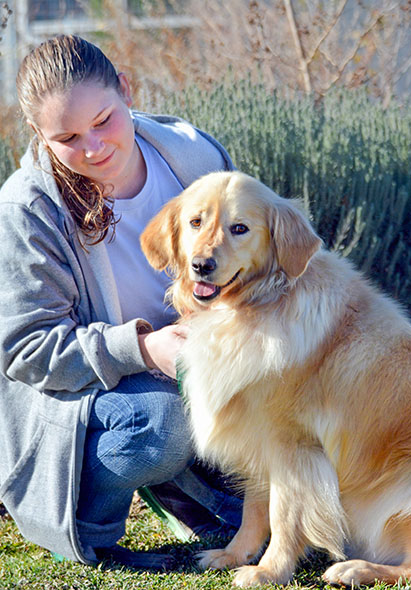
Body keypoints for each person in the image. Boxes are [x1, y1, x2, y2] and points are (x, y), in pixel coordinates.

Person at [0, 35, 241, 568]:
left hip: (202, 363)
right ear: (39, 135)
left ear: (126, 89)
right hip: (92, 398)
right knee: (157, 428)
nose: (93, 148)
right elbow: (26, 350)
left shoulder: (194, 155)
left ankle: (189, 494)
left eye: (104, 119)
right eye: (66, 136)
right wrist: (143, 348)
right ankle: (92, 527)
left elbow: (248, 253)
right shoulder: (27, 208)